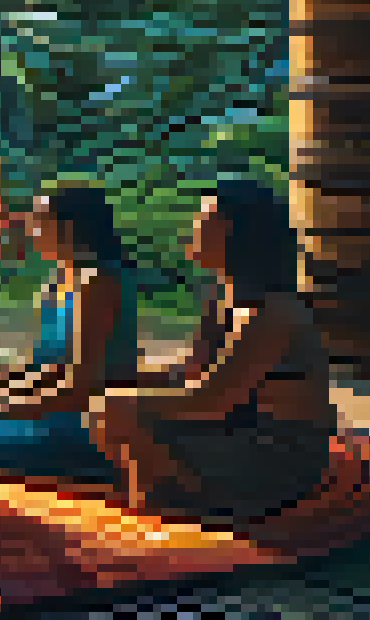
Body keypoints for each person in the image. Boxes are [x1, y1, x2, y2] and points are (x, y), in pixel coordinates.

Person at [90, 182, 336, 521]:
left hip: (277, 452)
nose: (194, 230)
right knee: (109, 406)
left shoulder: (271, 311)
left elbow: (211, 400)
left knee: (119, 413)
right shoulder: (221, 294)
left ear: (239, 235)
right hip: (232, 427)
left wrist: (123, 401)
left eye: (205, 222)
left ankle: (188, 499)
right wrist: (116, 379)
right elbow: (193, 370)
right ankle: (172, 494)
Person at [0, 186, 140, 481]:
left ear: (70, 229)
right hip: (46, 411)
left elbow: (79, 390)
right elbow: (48, 368)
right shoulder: (57, 283)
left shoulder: (99, 284)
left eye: (39, 223)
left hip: (85, 425)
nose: (32, 232)